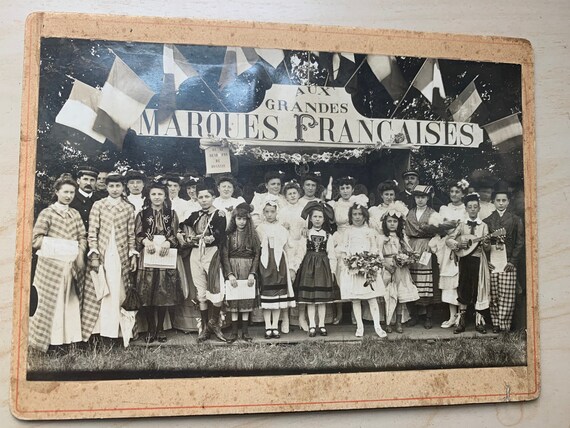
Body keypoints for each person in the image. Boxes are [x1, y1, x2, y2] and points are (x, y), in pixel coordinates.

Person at [28, 176, 86, 352]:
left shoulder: (74, 214)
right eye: (65, 192)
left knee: (70, 301)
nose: (69, 195)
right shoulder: (48, 213)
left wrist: (80, 254)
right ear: (57, 192)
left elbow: (82, 236)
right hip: (50, 267)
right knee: (52, 302)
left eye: (72, 192)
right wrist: (60, 245)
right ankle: (52, 343)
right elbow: (35, 240)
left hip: (70, 267)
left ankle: (70, 340)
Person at [82, 173, 138, 342]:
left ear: (123, 188)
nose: (115, 190)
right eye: (112, 186)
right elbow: (92, 231)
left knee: (119, 290)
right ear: (106, 187)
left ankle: (120, 332)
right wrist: (94, 252)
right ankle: (100, 332)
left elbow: (131, 234)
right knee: (102, 291)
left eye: (118, 186)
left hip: (120, 254)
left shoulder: (128, 207)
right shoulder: (99, 205)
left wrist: (132, 254)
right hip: (103, 252)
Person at [135, 181, 184, 343]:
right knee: (147, 290)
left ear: (165, 196)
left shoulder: (171, 213)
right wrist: (144, 242)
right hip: (148, 254)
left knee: (164, 290)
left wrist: (169, 242)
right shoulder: (142, 214)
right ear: (149, 196)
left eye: (160, 194)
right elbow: (137, 233)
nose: (157, 197)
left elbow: (175, 232)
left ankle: (160, 327)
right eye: (154, 194)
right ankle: (150, 328)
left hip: (165, 252)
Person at [180, 183, 227, 342]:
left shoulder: (220, 214)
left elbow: (221, 234)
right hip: (195, 253)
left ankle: (214, 324)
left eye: (207, 196)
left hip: (212, 252)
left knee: (215, 289)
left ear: (213, 197)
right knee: (200, 291)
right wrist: (183, 236)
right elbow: (182, 226)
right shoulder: (194, 215)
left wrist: (210, 238)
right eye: (200, 197)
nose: (204, 200)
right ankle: (205, 327)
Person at [338, 203, 387, 338]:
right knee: (356, 299)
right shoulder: (348, 231)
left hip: (368, 268)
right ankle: (360, 326)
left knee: (371, 298)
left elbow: (374, 248)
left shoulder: (370, 231)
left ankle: (377, 326)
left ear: (365, 215)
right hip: (353, 268)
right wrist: (349, 262)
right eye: (354, 214)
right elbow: (344, 248)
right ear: (351, 216)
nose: (357, 217)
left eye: (360, 214)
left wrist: (371, 263)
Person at [483, 183, 524, 333]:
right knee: (494, 294)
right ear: (493, 202)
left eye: (503, 200)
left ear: (508, 202)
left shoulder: (515, 219)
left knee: (507, 294)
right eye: (498, 200)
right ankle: (495, 323)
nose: (501, 203)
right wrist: (487, 261)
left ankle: (504, 324)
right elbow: (484, 244)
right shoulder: (487, 220)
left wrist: (513, 261)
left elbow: (520, 242)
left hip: (508, 262)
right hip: (493, 262)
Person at [449, 192, 491, 334]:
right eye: (470, 207)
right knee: (463, 287)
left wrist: (485, 244)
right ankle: (461, 321)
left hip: (478, 260)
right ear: (466, 209)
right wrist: (458, 245)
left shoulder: (484, 226)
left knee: (478, 287)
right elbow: (450, 239)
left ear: (479, 209)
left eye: (475, 207)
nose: (473, 209)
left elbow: (487, 247)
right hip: (464, 260)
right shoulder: (462, 225)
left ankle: (479, 321)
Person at [294, 201, 338, 337]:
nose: (318, 219)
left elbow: (332, 254)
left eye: (320, 217)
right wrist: (295, 268)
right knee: (310, 299)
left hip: (323, 269)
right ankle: (312, 324)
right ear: (311, 219)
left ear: (324, 219)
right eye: (315, 217)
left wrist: (332, 271)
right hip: (309, 268)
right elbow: (301, 251)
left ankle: (322, 325)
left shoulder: (328, 235)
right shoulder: (306, 234)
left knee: (321, 300)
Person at [404, 185, 444, 329]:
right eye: (417, 197)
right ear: (414, 198)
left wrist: (432, 242)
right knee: (412, 280)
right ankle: (414, 316)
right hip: (413, 247)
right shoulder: (409, 213)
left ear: (427, 198)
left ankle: (428, 316)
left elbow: (438, 233)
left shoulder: (433, 213)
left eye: (423, 197)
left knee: (427, 280)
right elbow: (406, 232)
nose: (420, 200)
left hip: (428, 247)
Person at [220, 203, 260, 342]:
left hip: (247, 269)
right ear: (234, 219)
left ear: (248, 220)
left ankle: (245, 332)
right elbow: (224, 255)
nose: (241, 222)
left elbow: (257, 255)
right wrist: (229, 274)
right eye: (239, 218)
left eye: (244, 219)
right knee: (234, 299)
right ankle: (234, 332)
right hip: (233, 267)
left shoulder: (253, 236)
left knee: (246, 299)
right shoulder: (229, 236)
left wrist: (252, 273)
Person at [256, 198, 296, 339]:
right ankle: (268, 326)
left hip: (279, 264)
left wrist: (291, 267)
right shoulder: (259, 229)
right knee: (268, 295)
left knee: (278, 296)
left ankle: (275, 326)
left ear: (276, 212)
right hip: (266, 263)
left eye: (272, 211)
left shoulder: (282, 229)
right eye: (267, 212)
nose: (270, 214)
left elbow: (288, 248)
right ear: (263, 213)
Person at [380, 208, 419, 334]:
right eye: (389, 221)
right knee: (388, 295)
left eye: (395, 221)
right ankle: (387, 322)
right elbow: (378, 254)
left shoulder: (401, 237)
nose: (392, 224)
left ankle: (398, 322)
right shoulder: (381, 238)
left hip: (400, 269)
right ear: (385, 223)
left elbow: (409, 252)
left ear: (399, 223)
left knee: (400, 296)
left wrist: (406, 259)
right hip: (387, 268)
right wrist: (385, 264)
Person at [435, 179, 469, 329]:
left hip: (463, 247)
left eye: (457, 192)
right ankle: (451, 316)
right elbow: (439, 227)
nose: (454, 194)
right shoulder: (444, 209)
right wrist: (448, 229)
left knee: (461, 281)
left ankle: (461, 317)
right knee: (449, 283)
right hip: (447, 248)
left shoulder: (466, 209)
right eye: (452, 192)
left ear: (462, 194)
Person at [278, 180, 306, 332]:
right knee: (287, 282)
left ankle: (301, 317)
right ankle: (285, 318)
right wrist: (284, 228)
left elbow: (308, 228)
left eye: (294, 193)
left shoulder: (304, 210)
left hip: (302, 246)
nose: (292, 196)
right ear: (286, 196)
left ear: (298, 194)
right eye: (289, 194)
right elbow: (278, 229)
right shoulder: (282, 212)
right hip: (287, 247)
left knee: (301, 283)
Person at [69, 165, 101, 230]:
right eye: (85, 179)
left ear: (96, 182)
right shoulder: (70, 198)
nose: (88, 183)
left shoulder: (99, 201)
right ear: (78, 181)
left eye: (92, 180)